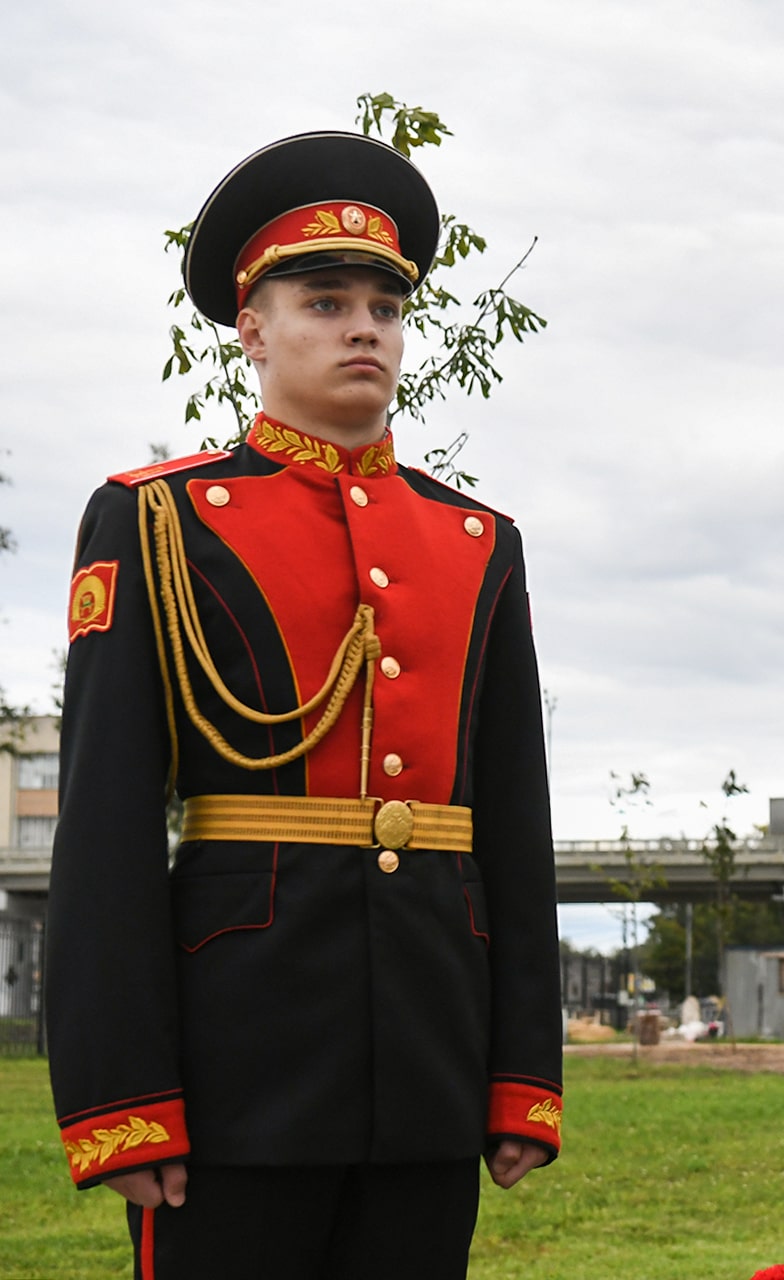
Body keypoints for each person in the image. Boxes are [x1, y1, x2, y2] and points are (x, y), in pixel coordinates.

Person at [46, 131, 563, 1278]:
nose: (364, 325)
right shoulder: (159, 519)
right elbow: (104, 823)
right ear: (253, 331)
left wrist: (522, 1072)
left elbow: (513, 818)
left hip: (432, 1047)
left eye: (384, 303)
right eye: (324, 300)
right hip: (240, 1054)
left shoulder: (477, 541)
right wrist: (122, 1095)